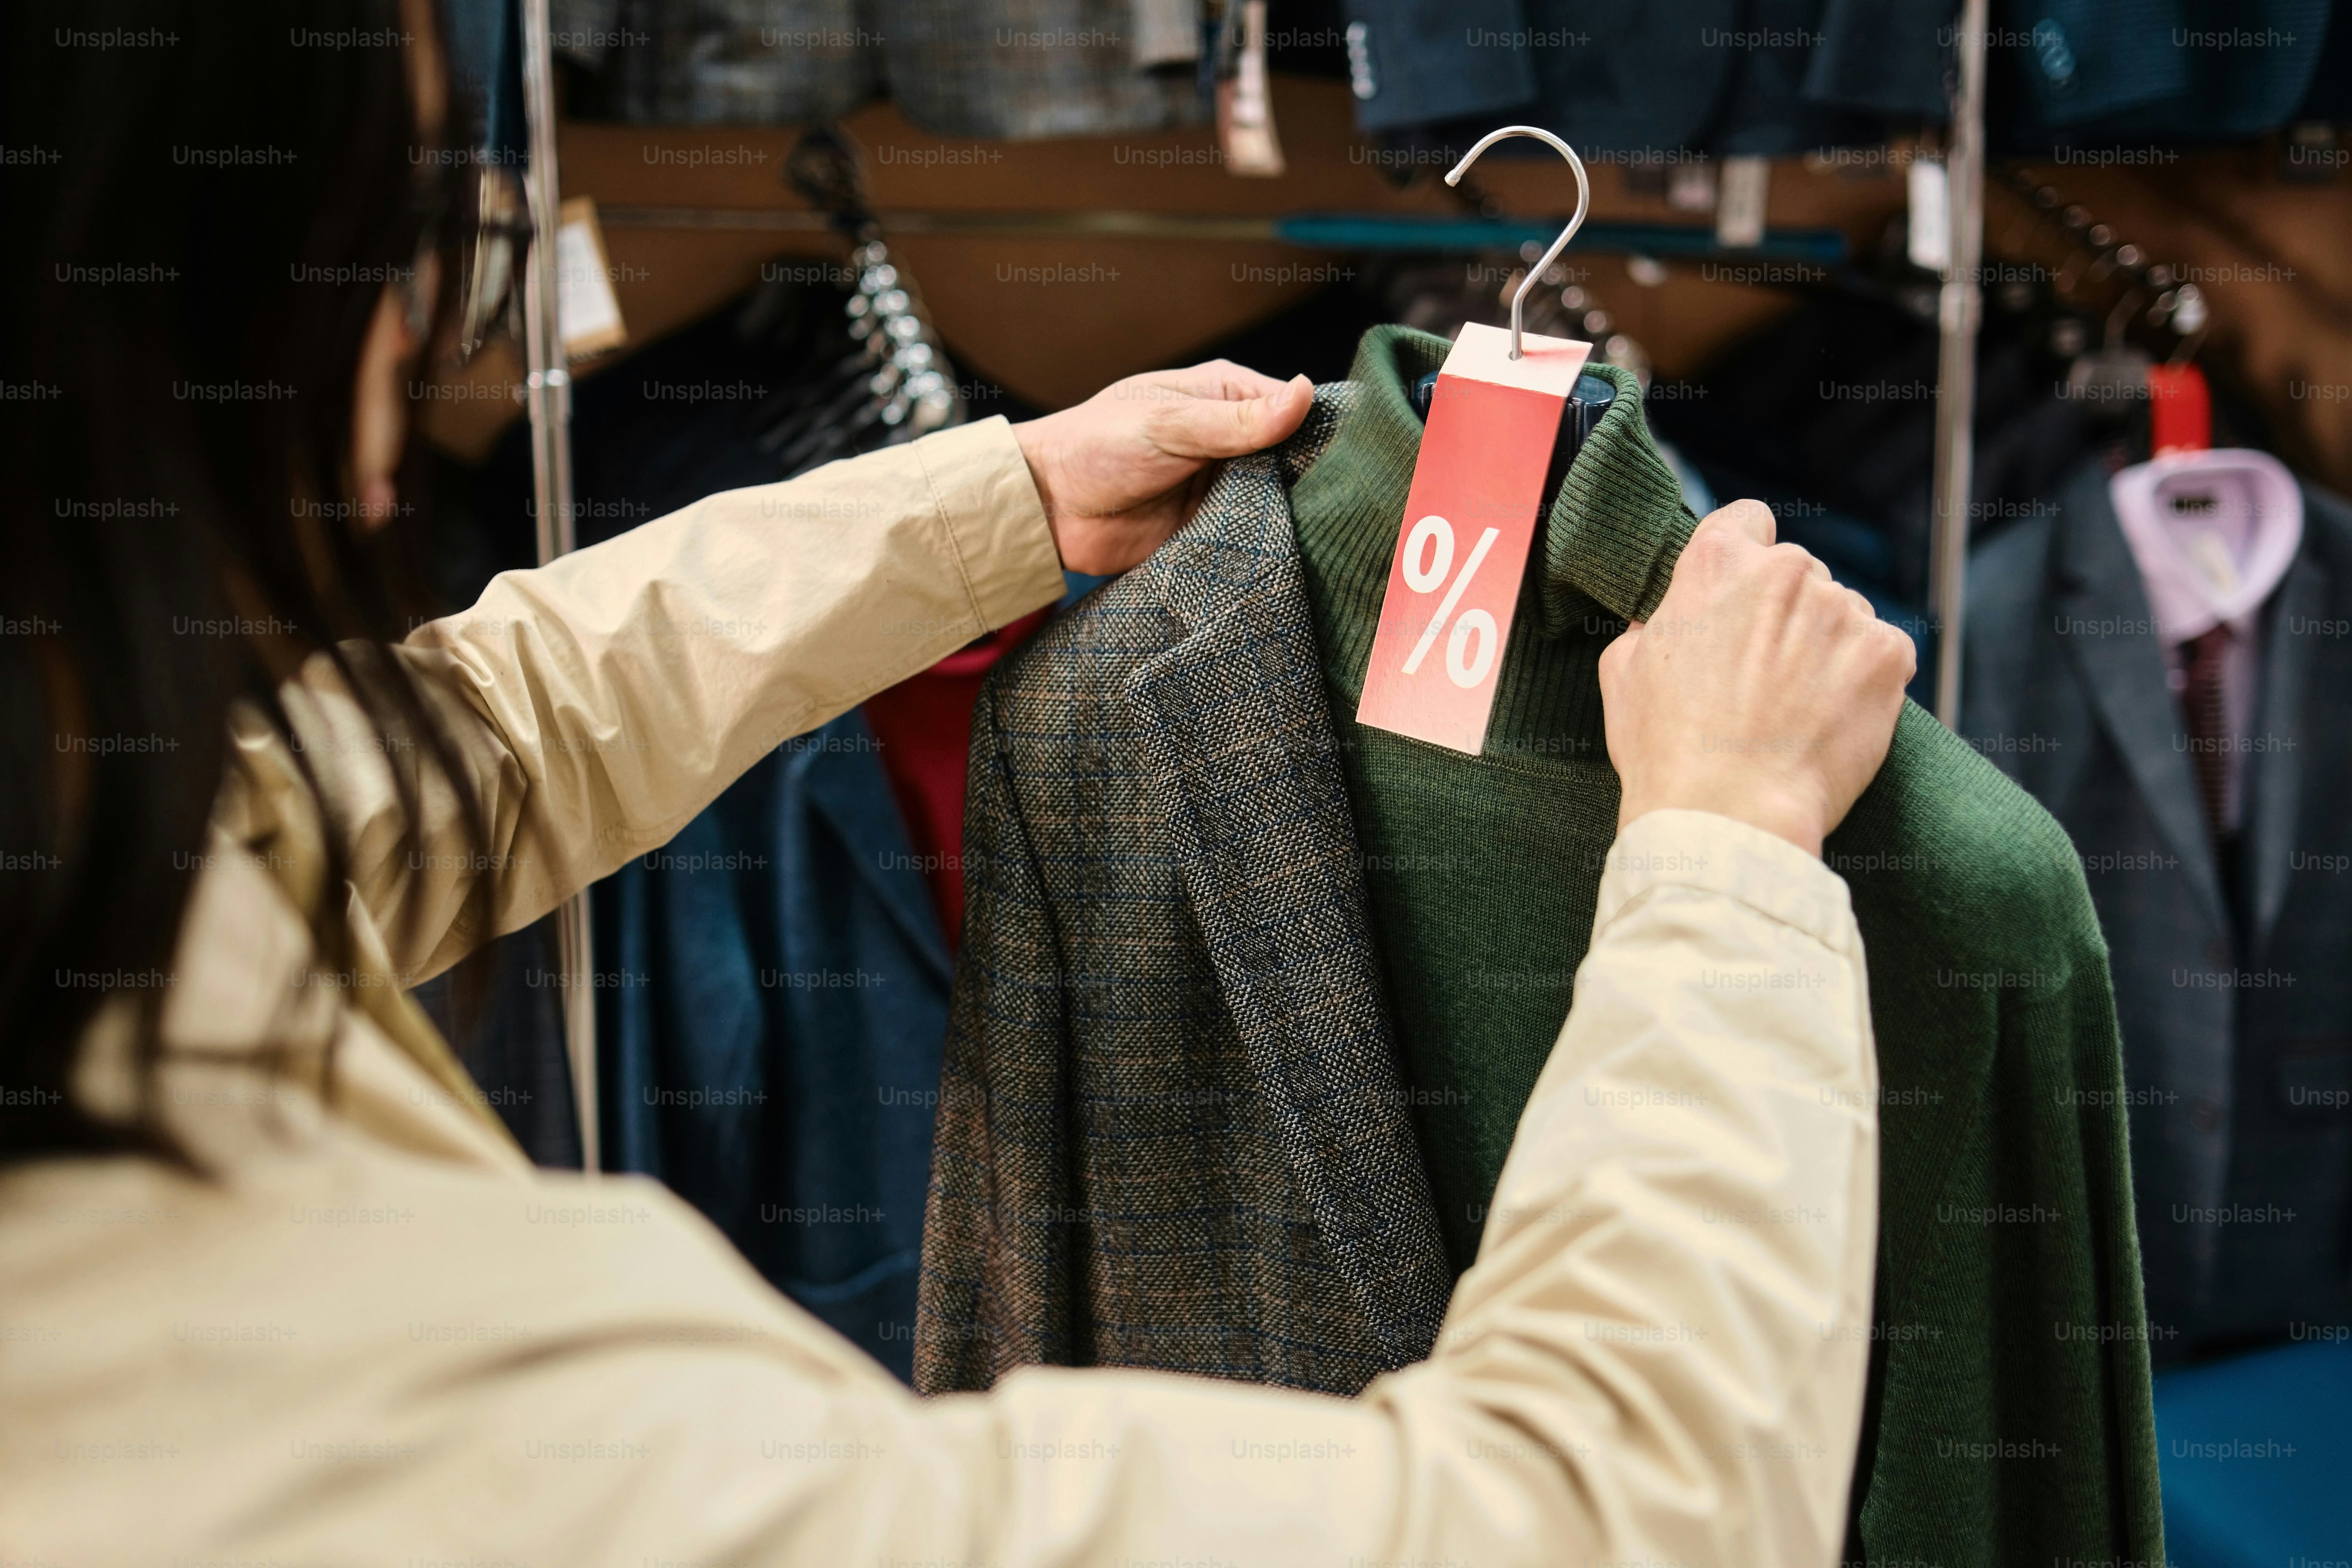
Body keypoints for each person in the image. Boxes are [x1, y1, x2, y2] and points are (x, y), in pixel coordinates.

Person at [0, 4, 1913, 1564]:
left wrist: (993, 502)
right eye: (416, 241)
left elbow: (473, 739)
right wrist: (1728, 864)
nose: (430, 335)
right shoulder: (420, 1426)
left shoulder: (109, 857)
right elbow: (1584, 1528)